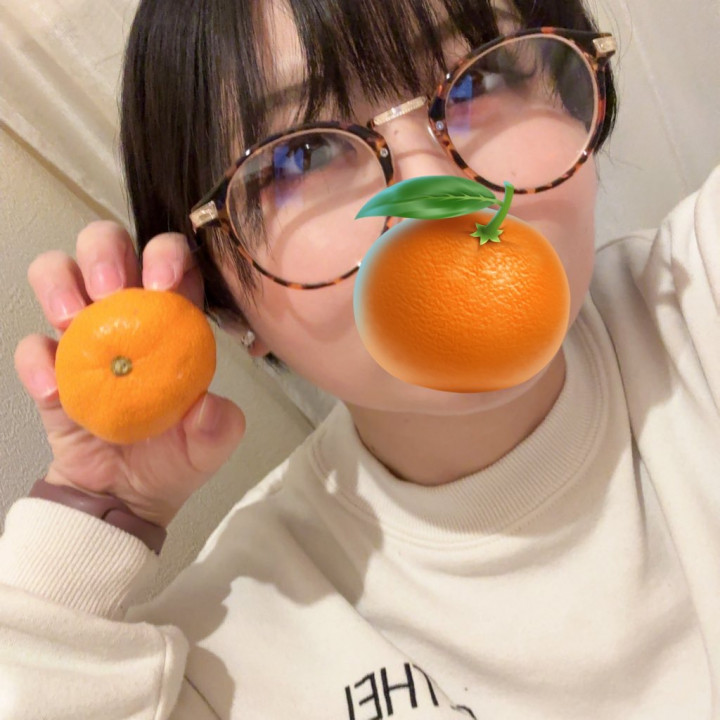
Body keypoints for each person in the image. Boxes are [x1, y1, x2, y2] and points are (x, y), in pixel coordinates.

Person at [1, 0, 718, 717]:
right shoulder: (230, 653)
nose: (435, 195)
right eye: (302, 156)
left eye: (481, 78)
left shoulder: (699, 289)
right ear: (225, 303)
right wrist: (96, 511)